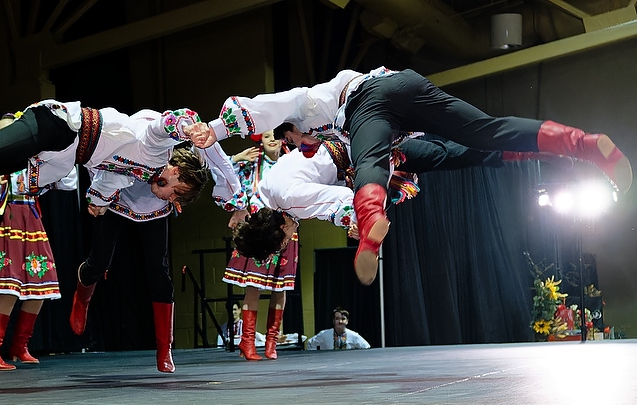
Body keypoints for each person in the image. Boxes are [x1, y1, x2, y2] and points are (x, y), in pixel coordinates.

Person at [189, 67, 632, 285]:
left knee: (373, 166)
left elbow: (332, 193)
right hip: (403, 88)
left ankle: (370, 230)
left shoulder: (294, 152)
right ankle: (584, 144)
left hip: (369, 108)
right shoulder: (276, 179)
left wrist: (219, 128)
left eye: (293, 137)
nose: (300, 142)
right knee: (474, 137)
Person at [231, 130, 563, 264]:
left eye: (282, 241)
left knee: (447, 155)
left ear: (277, 231)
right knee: (446, 151)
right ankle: (527, 147)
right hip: (353, 145)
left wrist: (356, 225)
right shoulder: (266, 192)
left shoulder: (289, 201)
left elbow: (343, 201)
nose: (290, 238)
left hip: (365, 152)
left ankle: (530, 147)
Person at [0, 100, 212, 213]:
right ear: (178, 173)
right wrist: (189, 126)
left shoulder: (138, 173)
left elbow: (108, 180)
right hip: (59, 126)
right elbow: (164, 124)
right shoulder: (157, 150)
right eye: (176, 195)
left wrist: (99, 203)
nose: (168, 199)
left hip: (58, 148)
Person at [68, 143, 238, 373]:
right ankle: (82, 297)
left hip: (153, 209)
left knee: (159, 272)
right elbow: (104, 162)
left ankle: (164, 348)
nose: (174, 198)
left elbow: (221, 161)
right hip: (117, 196)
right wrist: (99, 197)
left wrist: (238, 202)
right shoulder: (147, 144)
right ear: (175, 171)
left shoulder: (190, 160)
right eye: (176, 193)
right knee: (99, 262)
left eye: (177, 196)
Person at [0, 112, 77, 370]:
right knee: (9, 288)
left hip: (31, 222)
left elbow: (69, 180)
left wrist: (52, 152)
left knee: (40, 288)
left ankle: (20, 346)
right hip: (6, 222)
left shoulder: (35, 160)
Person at [216, 130, 294, 361]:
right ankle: (247, 342)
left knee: (280, 287)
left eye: (276, 135)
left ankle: (272, 342)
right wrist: (236, 158)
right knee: (254, 284)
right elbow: (223, 174)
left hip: (285, 227)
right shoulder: (252, 163)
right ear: (260, 139)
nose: (272, 140)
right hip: (259, 227)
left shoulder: (292, 161)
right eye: (267, 136)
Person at [306, 308, 370, 350]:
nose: (340, 321)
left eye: (343, 319)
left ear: (347, 321)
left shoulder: (353, 335)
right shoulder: (324, 334)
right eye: (337, 319)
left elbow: (366, 347)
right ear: (333, 321)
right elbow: (310, 343)